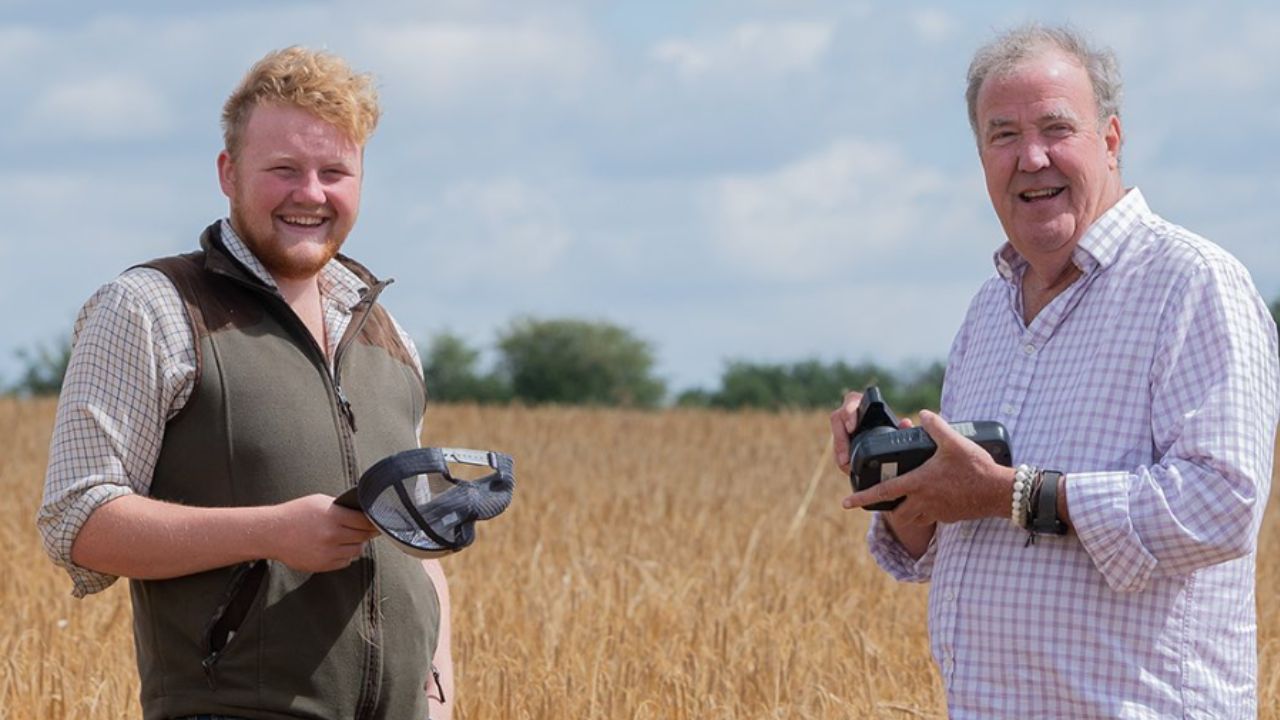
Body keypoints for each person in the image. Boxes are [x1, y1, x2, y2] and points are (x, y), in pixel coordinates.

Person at [830, 24, 1279, 719]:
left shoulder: (1192, 284)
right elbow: (954, 534)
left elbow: (1220, 507)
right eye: (1003, 135)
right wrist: (897, 475)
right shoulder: (988, 313)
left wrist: (1013, 494)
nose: (1030, 156)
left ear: (1111, 139)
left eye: (1055, 128)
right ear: (981, 157)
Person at [37, 47, 454, 720]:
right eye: (284, 169)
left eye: (334, 172)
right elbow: (77, 519)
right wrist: (270, 532)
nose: (310, 194)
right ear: (228, 173)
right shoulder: (150, 306)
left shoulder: (388, 337)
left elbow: (416, 548)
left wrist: (438, 698)